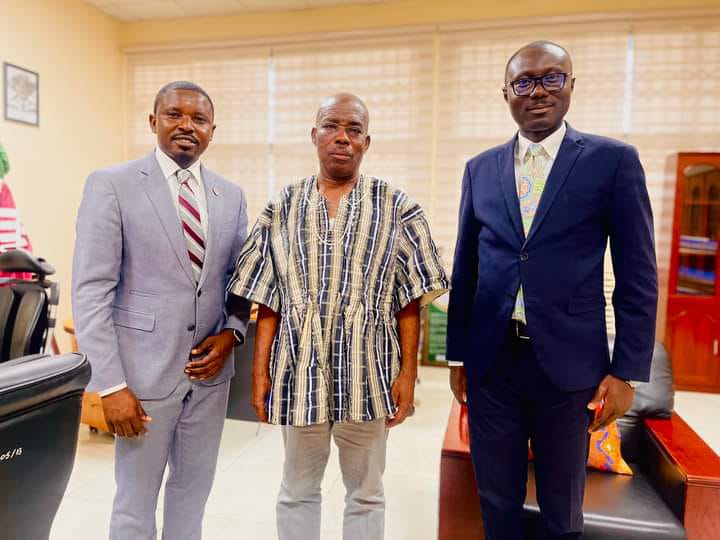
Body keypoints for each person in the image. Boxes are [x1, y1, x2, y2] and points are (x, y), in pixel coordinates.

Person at [446, 41, 658, 540]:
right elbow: (467, 268)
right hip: (492, 363)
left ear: (570, 86)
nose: (538, 90)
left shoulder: (612, 162)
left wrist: (626, 370)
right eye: (524, 81)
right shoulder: (480, 168)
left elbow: (638, 275)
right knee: (495, 498)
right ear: (506, 94)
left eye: (551, 78)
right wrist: (458, 357)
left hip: (569, 369)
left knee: (563, 508)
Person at [227, 93, 448, 540]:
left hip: (369, 373)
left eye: (353, 129)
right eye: (331, 126)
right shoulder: (282, 206)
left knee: (366, 493)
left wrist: (407, 374)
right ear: (315, 135)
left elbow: (410, 299)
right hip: (298, 371)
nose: (342, 137)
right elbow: (267, 298)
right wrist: (259, 372)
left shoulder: (397, 207)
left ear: (367, 142)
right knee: (297, 489)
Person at [72, 81, 250, 540]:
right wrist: (110, 386)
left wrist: (232, 333)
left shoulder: (230, 197)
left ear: (213, 130)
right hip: (140, 379)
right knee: (135, 502)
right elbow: (91, 291)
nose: (187, 126)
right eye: (174, 115)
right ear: (154, 121)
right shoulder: (112, 184)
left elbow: (239, 283)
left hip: (209, 380)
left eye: (199, 119)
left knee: (193, 494)